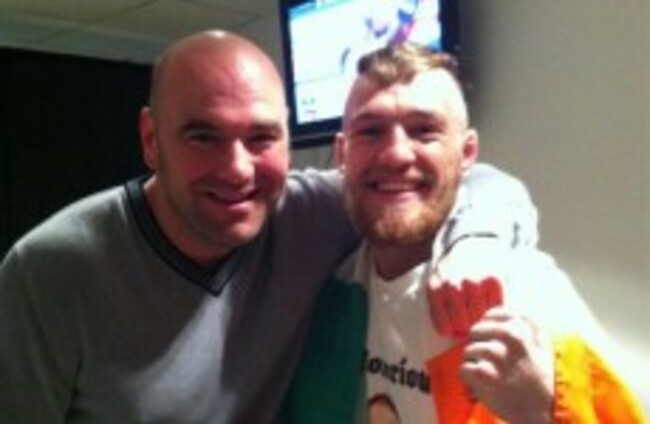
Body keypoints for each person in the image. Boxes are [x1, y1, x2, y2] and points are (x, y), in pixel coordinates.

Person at [0, 30, 540, 423]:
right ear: (150, 139)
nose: (238, 170)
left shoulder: (309, 212)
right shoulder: (50, 271)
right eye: (203, 136)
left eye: (261, 138)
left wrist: (475, 242)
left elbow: (474, 181)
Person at [282, 42, 646, 423]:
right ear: (342, 154)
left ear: (467, 153)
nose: (395, 154)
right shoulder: (333, 292)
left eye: (424, 131)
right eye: (370, 132)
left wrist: (544, 412)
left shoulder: (526, 295)